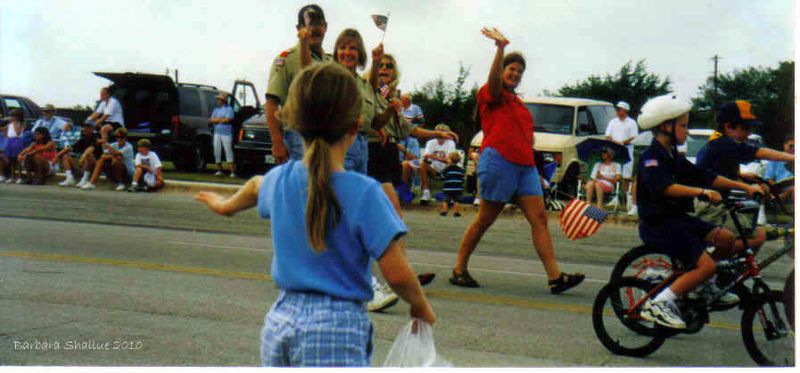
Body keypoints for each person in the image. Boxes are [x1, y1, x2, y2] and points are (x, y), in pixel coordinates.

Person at [195, 63, 435, 367]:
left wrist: (224, 205)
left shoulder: (280, 181)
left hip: (280, 321)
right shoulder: (365, 193)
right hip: (337, 330)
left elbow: (256, 186)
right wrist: (420, 306)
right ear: (356, 125)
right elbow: (398, 274)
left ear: (294, 123)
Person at [450, 28, 584, 293]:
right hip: (499, 161)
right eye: (511, 69)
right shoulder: (492, 94)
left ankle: (555, 277)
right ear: (502, 70)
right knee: (485, 218)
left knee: (540, 218)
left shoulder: (518, 103)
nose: (515, 74)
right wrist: (499, 50)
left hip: (525, 167)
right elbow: (493, 82)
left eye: (519, 71)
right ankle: (459, 268)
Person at [634, 94, 763, 329]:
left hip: (677, 220)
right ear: (666, 126)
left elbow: (706, 176)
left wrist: (744, 186)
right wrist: (701, 193)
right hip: (658, 225)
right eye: (683, 125)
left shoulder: (673, 156)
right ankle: (658, 304)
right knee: (707, 266)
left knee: (725, 238)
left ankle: (699, 286)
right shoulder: (651, 157)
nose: (687, 131)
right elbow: (665, 187)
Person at [693, 100, 794, 253]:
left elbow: (718, 172)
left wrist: (743, 176)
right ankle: (710, 267)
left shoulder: (718, 143)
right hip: (709, 208)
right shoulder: (723, 143)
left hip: (713, 204)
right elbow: (760, 152)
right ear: (728, 126)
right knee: (757, 237)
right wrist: (793, 158)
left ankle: (720, 268)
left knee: (756, 233)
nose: (749, 133)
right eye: (746, 128)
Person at [265, 4, 332, 164]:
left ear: (325, 27)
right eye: (308, 25)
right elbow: (272, 102)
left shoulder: (330, 63)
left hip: (326, 139)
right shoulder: (287, 59)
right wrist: (277, 142)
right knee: (301, 186)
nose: (314, 30)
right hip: (298, 138)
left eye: (318, 24)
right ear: (299, 28)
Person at [605, 101, 638, 208]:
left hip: (627, 151)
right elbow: (608, 135)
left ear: (625, 111)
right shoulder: (613, 122)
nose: (618, 112)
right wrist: (615, 143)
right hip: (615, 151)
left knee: (626, 176)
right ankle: (616, 198)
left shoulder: (632, 122)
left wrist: (622, 143)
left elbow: (634, 137)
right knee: (616, 174)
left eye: (620, 109)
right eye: (617, 110)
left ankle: (627, 199)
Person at [416, 124, 457, 205]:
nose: (440, 134)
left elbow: (450, 160)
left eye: (443, 132)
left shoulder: (451, 143)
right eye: (438, 132)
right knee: (421, 164)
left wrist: (434, 157)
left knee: (453, 167)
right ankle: (426, 192)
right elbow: (426, 156)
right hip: (434, 169)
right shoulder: (430, 143)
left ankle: (451, 195)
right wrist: (426, 158)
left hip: (447, 170)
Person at [55, 122, 102, 187]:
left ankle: (85, 179)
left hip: (93, 168)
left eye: (87, 127)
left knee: (89, 156)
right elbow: (70, 148)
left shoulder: (97, 137)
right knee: (65, 156)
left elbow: (91, 149)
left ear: (92, 128)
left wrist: (83, 156)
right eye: (84, 127)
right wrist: (56, 156)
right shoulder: (83, 138)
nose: (85, 129)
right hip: (82, 165)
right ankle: (69, 178)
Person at [210, 93, 237, 177]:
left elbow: (228, 119)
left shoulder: (229, 109)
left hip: (226, 133)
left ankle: (232, 171)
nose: (217, 101)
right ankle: (219, 169)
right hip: (217, 132)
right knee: (217, 150)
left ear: (223, 101)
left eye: (219, 99)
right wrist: (221, 119)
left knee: (228, 150)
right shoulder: (216, 110)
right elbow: (211, 120)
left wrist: (218, 120)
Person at [764, 137, 794, 201]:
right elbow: (769, 178)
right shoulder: (775, 159)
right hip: (780, 187)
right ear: (784, 145)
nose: (794, 148)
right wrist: (775, 188)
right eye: (791, 146)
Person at [1, 109, 27, 184]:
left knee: (17, 160)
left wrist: (14, 123)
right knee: (11, 160)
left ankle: (19, 177)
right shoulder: (10, 124)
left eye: (11, 116)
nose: (10, 117)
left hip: (17, 141)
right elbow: (4, 129)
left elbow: (18, 133)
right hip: (10, 141)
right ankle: (12, 177)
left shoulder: (20, 123)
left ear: (16, 117)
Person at [440, 151, 465, 217]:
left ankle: (444, 211)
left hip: (448, 188)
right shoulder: (461, 169)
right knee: (457, 200)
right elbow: (463, 178)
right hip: (458, 188)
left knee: (446, 200)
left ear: (450, 160)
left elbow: (442, 176)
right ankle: (456, 212)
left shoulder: (447, 169)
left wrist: (444, 180)